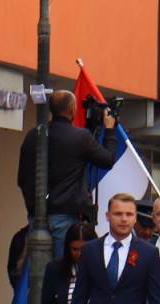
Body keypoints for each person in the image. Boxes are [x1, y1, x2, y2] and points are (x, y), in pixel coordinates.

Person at [16, 91, 119, 249]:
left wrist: (33, 205)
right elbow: (107, 160)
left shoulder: (32, 135)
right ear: (72, 109)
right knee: (61, 269)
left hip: (36, 216)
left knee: (38, 269)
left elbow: (21, 178)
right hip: (66, 216)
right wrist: (110, 130)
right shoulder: (79, 137)